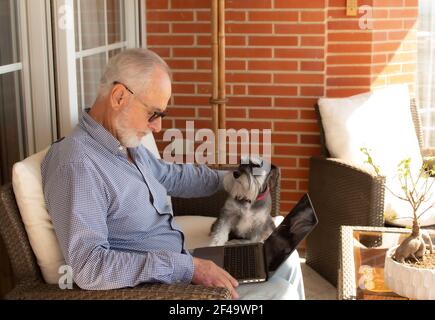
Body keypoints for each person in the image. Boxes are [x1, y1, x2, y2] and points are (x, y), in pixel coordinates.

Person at [41, 48, 304, 300]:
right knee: (281, 292)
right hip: (160, 288)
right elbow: (89, 267)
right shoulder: (77, 164)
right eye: (153, 114)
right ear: (119, 96)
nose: (157, 127)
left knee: (283, 261)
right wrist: (188, 268)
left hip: (180, 264)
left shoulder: (124, 143)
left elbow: (172, 176)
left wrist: (228, 181)